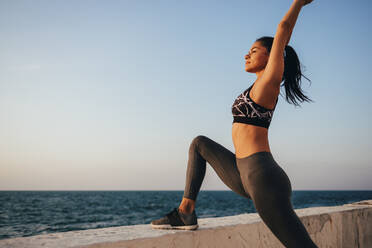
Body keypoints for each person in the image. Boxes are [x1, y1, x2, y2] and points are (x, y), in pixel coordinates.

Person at [151, 0, 318, 247]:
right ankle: (185, 211)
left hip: (263, 178)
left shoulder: (268, 83)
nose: (246, 54)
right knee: (199, 144)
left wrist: (298, 3)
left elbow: (283, 28)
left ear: (271, 55)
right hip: (243, 174)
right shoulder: (255, 87)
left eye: (253, 50)